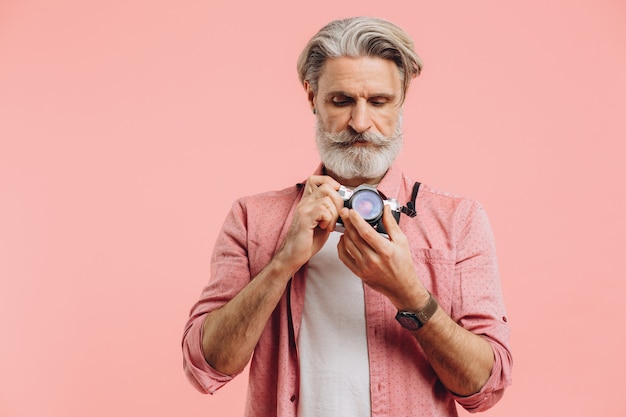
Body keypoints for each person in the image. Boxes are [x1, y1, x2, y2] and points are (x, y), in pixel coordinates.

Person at [182, 16, 512, 417]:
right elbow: (205, 368)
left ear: (402, 99)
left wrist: (409, 293)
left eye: (378, 101)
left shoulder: (458, 220)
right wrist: (282, 263)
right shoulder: (252, 218)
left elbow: (485, 388)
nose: (359, 122)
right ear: (312, 97)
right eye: (341, 101)